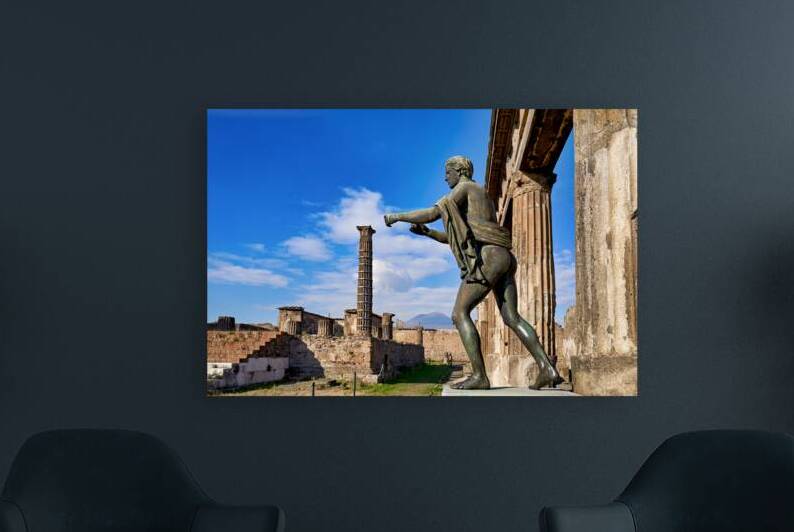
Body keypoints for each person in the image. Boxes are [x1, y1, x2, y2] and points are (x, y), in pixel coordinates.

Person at [384, 156, 562, 390]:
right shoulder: (481, 194)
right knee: (512, 317)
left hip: (488, 257)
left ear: (459, 171)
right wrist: (428, 233)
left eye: (447, 172)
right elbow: (459, 237)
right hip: (504, 257)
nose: (445, 178)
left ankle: (479, 376)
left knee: (459, 313)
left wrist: (397, 216)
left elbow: (432, 213)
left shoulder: (464, 188)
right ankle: (547, 367)